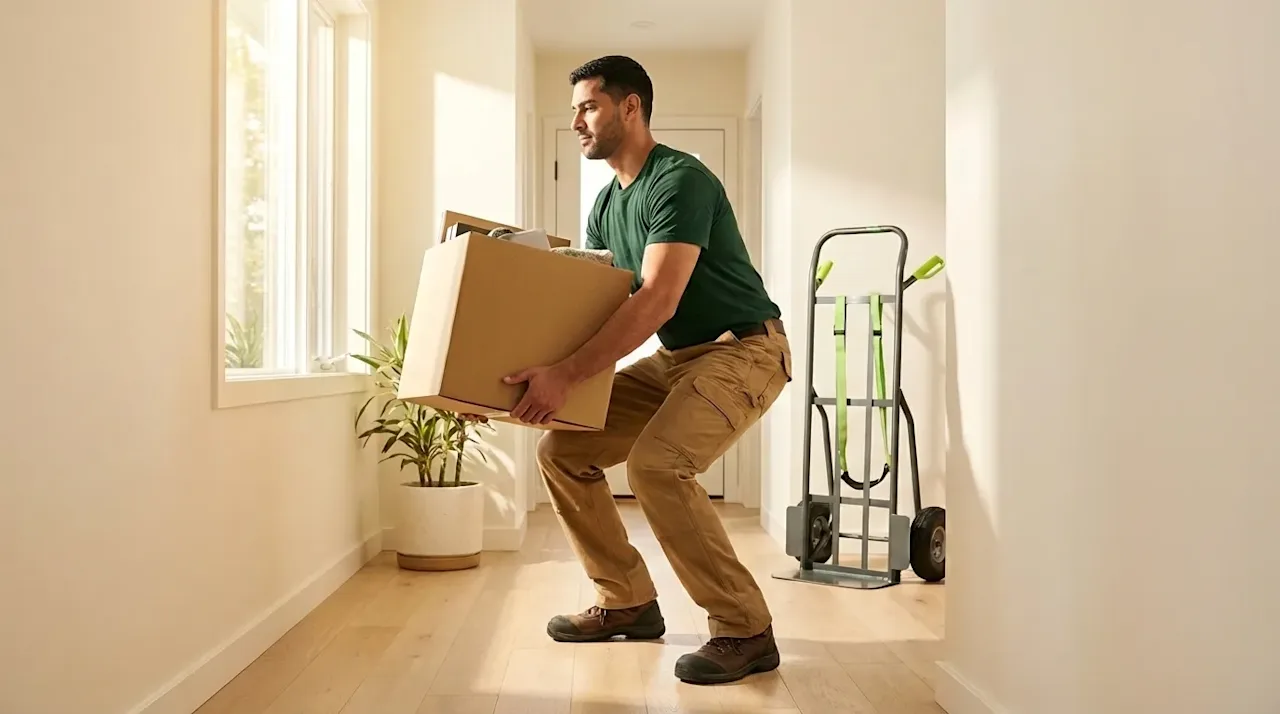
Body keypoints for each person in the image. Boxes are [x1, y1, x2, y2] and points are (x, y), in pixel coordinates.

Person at [502, 55, 792, 685]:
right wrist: (533, 370)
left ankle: (745, 628)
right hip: (678, 360)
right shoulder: (607, 205)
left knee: (657, 466)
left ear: (630, 107)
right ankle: (627, 601)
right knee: (562, 453)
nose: (577, 120)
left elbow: (656, 298)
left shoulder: (678, 180)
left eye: (589, 106)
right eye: (574, 109)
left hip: (743, 349)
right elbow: (592, 307)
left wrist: (569, 374)